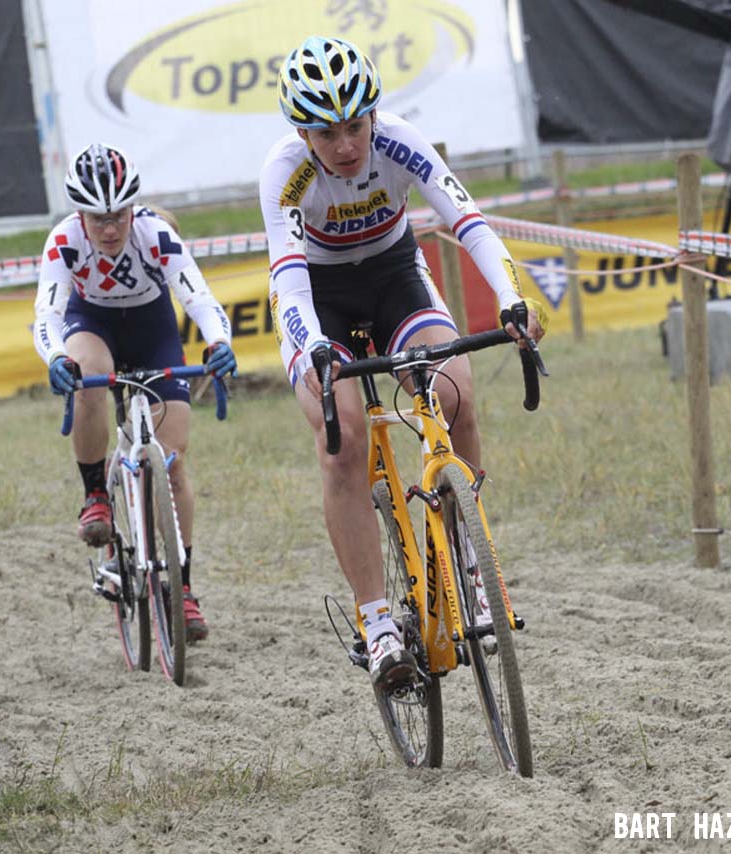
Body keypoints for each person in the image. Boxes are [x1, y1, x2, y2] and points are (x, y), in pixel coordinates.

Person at [258, 36, 545, 691]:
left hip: (394, 278)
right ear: (303, 132)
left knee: (454, 391)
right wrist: (315, 348)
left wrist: (510, 298)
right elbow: (291, 282)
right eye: (326, 133)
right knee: (343, 441)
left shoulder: (398, 141)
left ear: (373, 116)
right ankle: (377, 620)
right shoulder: (288, 174)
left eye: (355, 125)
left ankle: (470, 563)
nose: (346, 146)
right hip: (318, 300)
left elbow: (467, 219)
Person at [33, 143, 236, 642]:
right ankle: (96, 495)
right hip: (92, 324)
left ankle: (181, 587)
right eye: (98, 217)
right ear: (80, 213)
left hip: (152, 330)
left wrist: (219, 342)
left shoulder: (155, 234)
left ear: (132, 207)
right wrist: (56, 357)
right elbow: (48, 317)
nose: (109, 228)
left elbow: (199, 298)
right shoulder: (63, 241)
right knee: (88, 374)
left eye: (118, 214)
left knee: (173, 461)